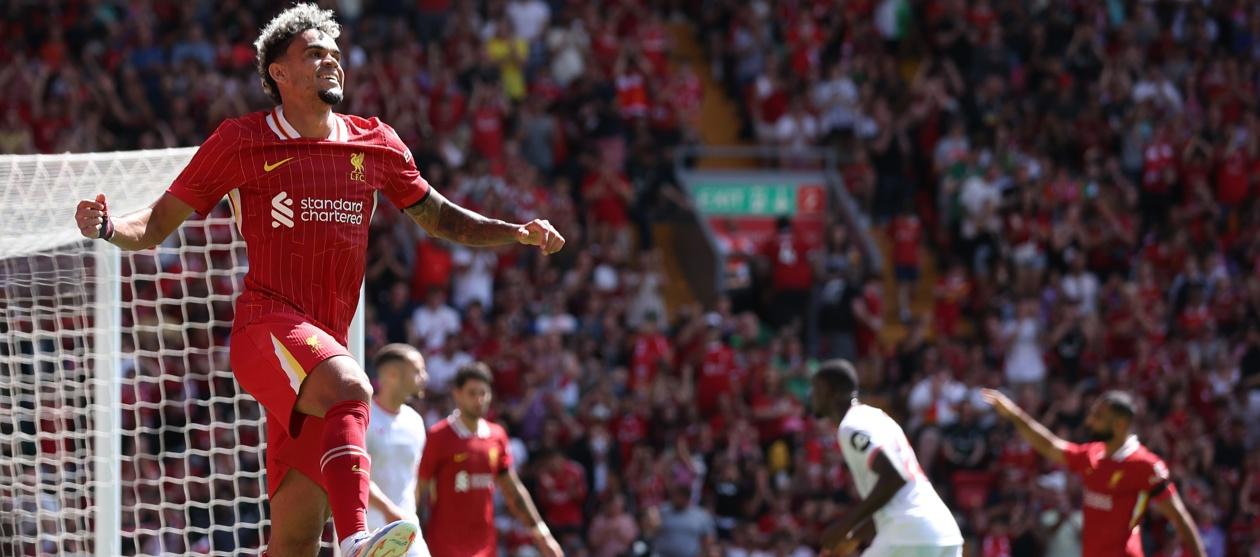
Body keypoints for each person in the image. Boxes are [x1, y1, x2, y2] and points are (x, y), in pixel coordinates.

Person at [70, 4, 565, 556]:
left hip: (318, 360)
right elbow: (157, 223)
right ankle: (356, 540)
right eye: (314, 54)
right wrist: (111, 226)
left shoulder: (374, 143)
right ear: (278, 73)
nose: (331, 61)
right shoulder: (241, 142)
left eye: (334, 53)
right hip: (267, 328)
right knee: (355, 389)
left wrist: (513, 233)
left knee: (294, 544)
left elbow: (439, 216)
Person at [981, 389, 1206, 557]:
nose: (1089, 421)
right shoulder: (1091, 455)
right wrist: (1014, 414)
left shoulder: (1145, 466)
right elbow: (1049, 445)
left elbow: (1179, 517)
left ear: (1119, 425)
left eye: (1098, 417)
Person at [810, 359, 963, 557]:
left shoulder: (851, 426)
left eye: (815, 389)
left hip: (908, 535)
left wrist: (843, 526)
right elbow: (895, 498)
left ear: (831, 391)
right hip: (942, 532)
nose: (811, 395)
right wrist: (855, 536)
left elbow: (894, 478)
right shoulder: (876, 417)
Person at [417, 362, 563, 557]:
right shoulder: (438, 436)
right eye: (472, 393)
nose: (479, 399)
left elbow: (513, 491)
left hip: (485, 547)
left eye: (483, 393)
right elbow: (418, 491)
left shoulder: (497, 436)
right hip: (445, 547)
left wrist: (542, 534)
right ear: (457, 394)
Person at [365, 344, 431, 557]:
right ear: (392, 374)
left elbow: (412, 480)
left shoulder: (415, 421)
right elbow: (354, 475)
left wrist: (406, 516)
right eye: (417, 370)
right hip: (369, 533)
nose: (424, 377)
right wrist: (388, 511)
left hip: (408, 529)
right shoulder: (364, 418)